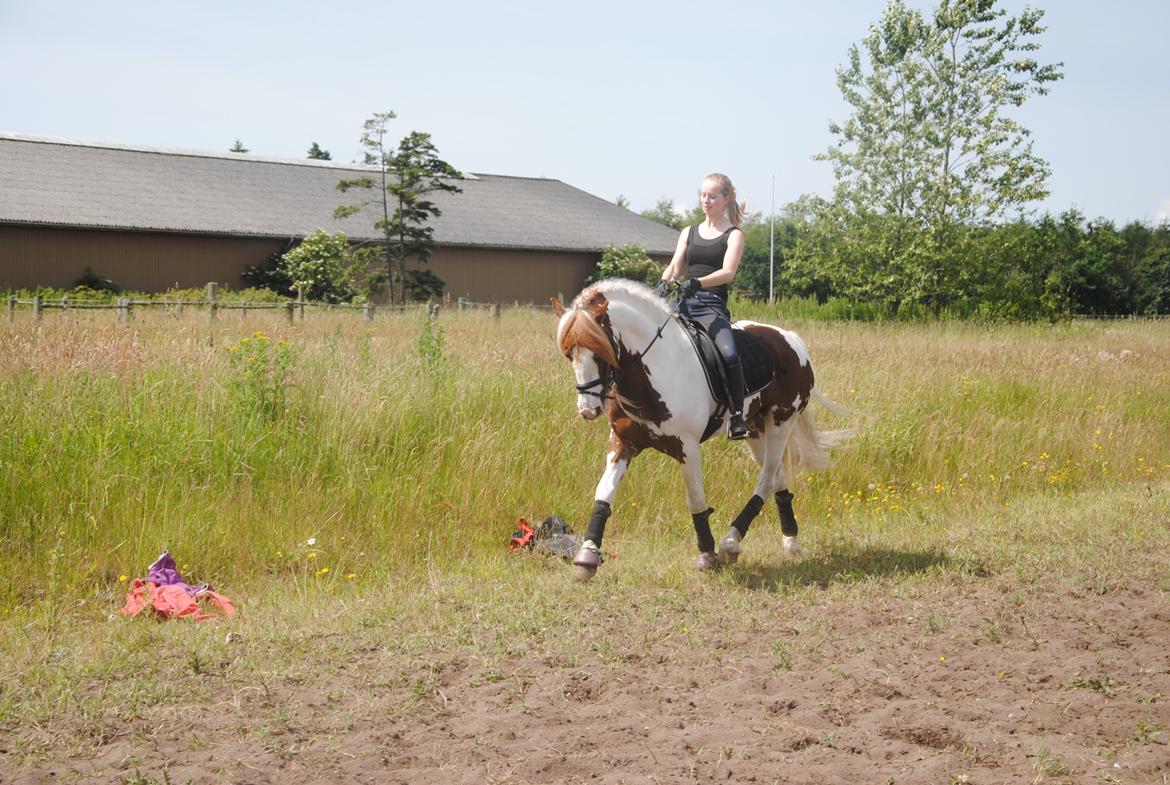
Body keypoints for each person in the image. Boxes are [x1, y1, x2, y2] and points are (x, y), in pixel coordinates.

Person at [655, 172, 749, 440]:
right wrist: (665, 281)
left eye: (712, 196)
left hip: (711, 304)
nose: (706, 200)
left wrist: (698, 282)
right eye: (703, 195)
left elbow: (728, 273)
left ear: (726, 199)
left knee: (729, 355)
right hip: (684, 300)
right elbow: (675, 265)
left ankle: (737, 415)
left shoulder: (733, 235)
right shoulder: (689, 232)